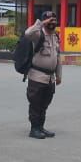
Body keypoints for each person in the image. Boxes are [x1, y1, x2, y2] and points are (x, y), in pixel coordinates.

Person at [23, 10, 62, 139]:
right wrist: (41, 23)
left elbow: (58, 57)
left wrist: (59, 75)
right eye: (49, 20)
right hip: (37, 76)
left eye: (54, 20)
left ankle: (41, 127)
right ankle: (34, 128)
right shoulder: (38, 34)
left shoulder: (55, 36)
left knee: (45, 103)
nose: (52, 23)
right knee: (35, 103)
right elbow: (27, 33)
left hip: (50, 78)